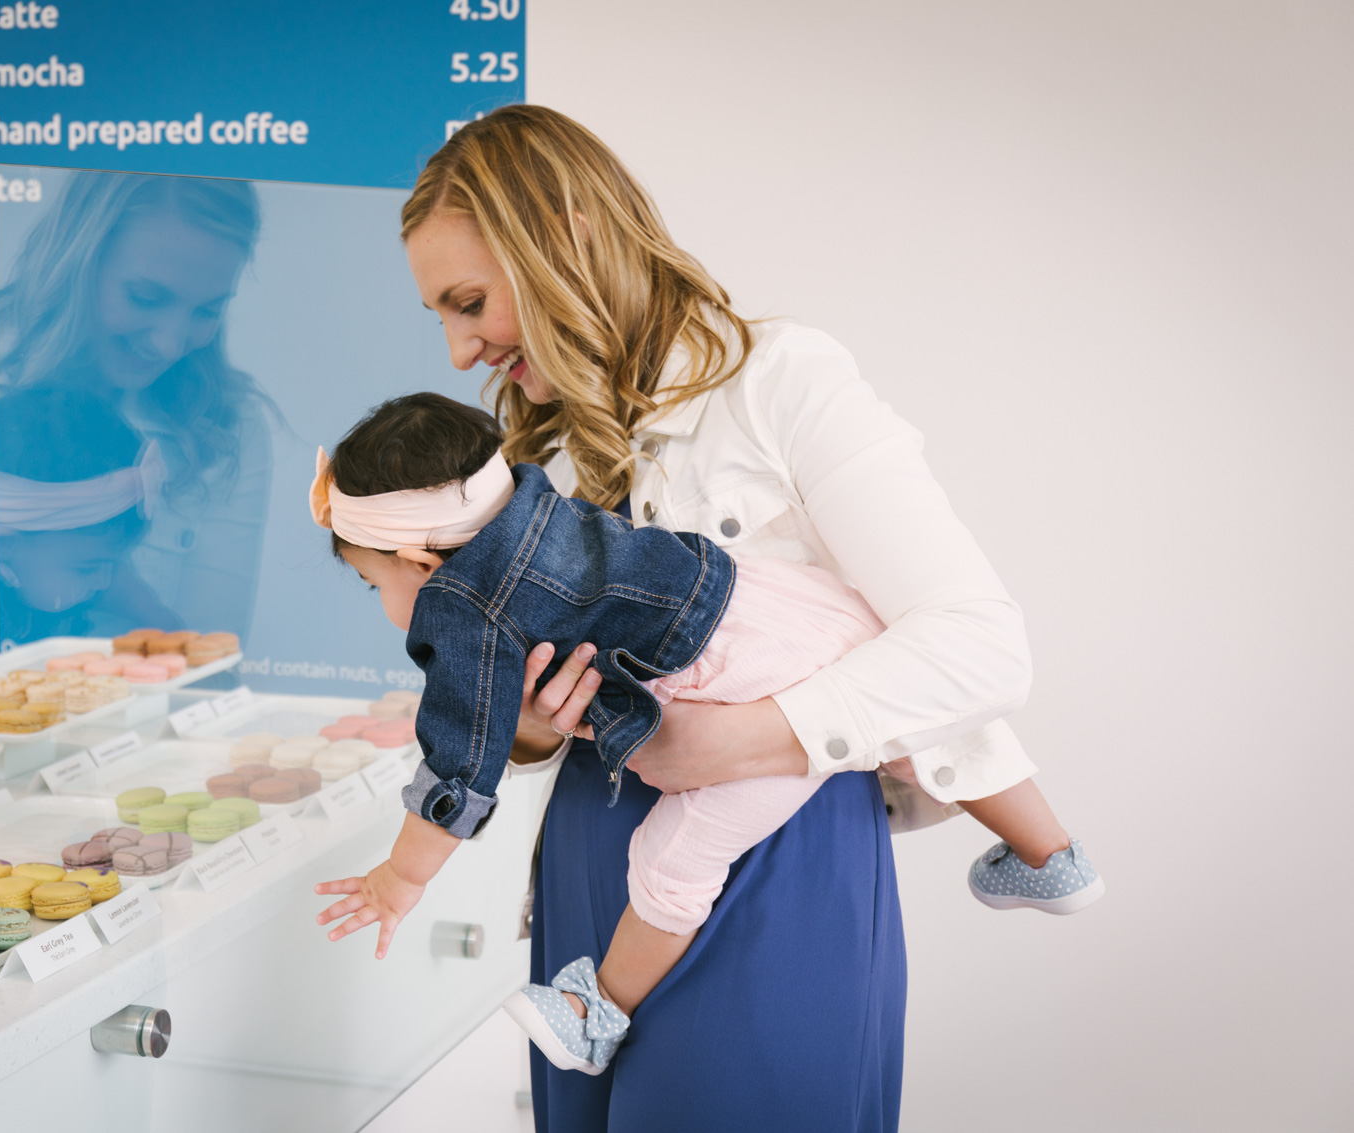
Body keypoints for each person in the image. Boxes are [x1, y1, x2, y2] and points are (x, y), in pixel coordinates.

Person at [367, 103, 1071, 1131]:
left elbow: (979, 645)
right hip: (587, 861)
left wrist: (738, 737)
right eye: (440, 314)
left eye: (468, 301)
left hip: (776, 862)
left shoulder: (780, 379)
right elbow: (524, 724)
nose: (460, 347)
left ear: (563, 232)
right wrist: (525, 724)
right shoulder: (529, 461)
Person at [310, 392, 1101, 1074]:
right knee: (921, 721)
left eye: (372, 580)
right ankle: (1052, 855)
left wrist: (403, 876)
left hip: (741, 691)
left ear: (419, 556)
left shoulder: (460, 606)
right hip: (782, 599)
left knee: (671, 861)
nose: (382, 599)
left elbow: (459, 759)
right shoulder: (532, 497)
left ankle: (595, 1011)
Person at [0, 170, 274, 645]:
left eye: (208, 310)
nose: (169, 344)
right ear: (78, 259)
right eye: (145, 297)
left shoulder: (227, 430)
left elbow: (204, 663)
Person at [0, 386, 180, 643]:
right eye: (87, 569)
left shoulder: (51, 567)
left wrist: (155, 616)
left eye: (112, 564)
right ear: (3, 543)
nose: (103, 582)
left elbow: (119, 587)